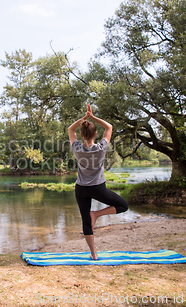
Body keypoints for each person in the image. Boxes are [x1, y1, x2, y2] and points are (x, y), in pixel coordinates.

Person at [68, 103, 128, 260]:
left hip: (81, 189)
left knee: (86, 222)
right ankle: (97, 214)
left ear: (81, 134)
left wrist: (83, 118)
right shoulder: (101, 148)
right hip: (98, 188)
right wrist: (93, 117)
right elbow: (109, 128)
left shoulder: (77, 148)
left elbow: (70, 129)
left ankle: (94, 254)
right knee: (123, 206)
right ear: (96, 134)